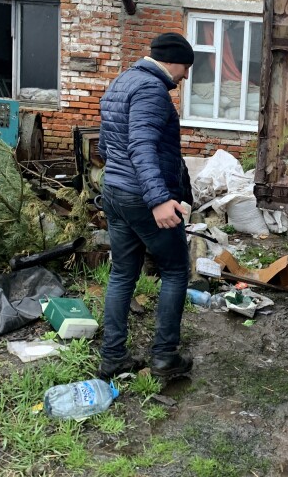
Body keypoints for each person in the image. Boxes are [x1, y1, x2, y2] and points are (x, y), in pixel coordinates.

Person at [96, 32, 196, 380]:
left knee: (123, 272)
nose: (185, 76)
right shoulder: (152, 91)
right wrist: (158, 199)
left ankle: (113, 358)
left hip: (115, 190)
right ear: (172, 61)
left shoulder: (122, 81)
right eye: (186, 67)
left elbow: (105, 146)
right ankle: (165, 358)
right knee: (175, 270)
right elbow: (141, 145)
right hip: (142, 196)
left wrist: (120, 180)